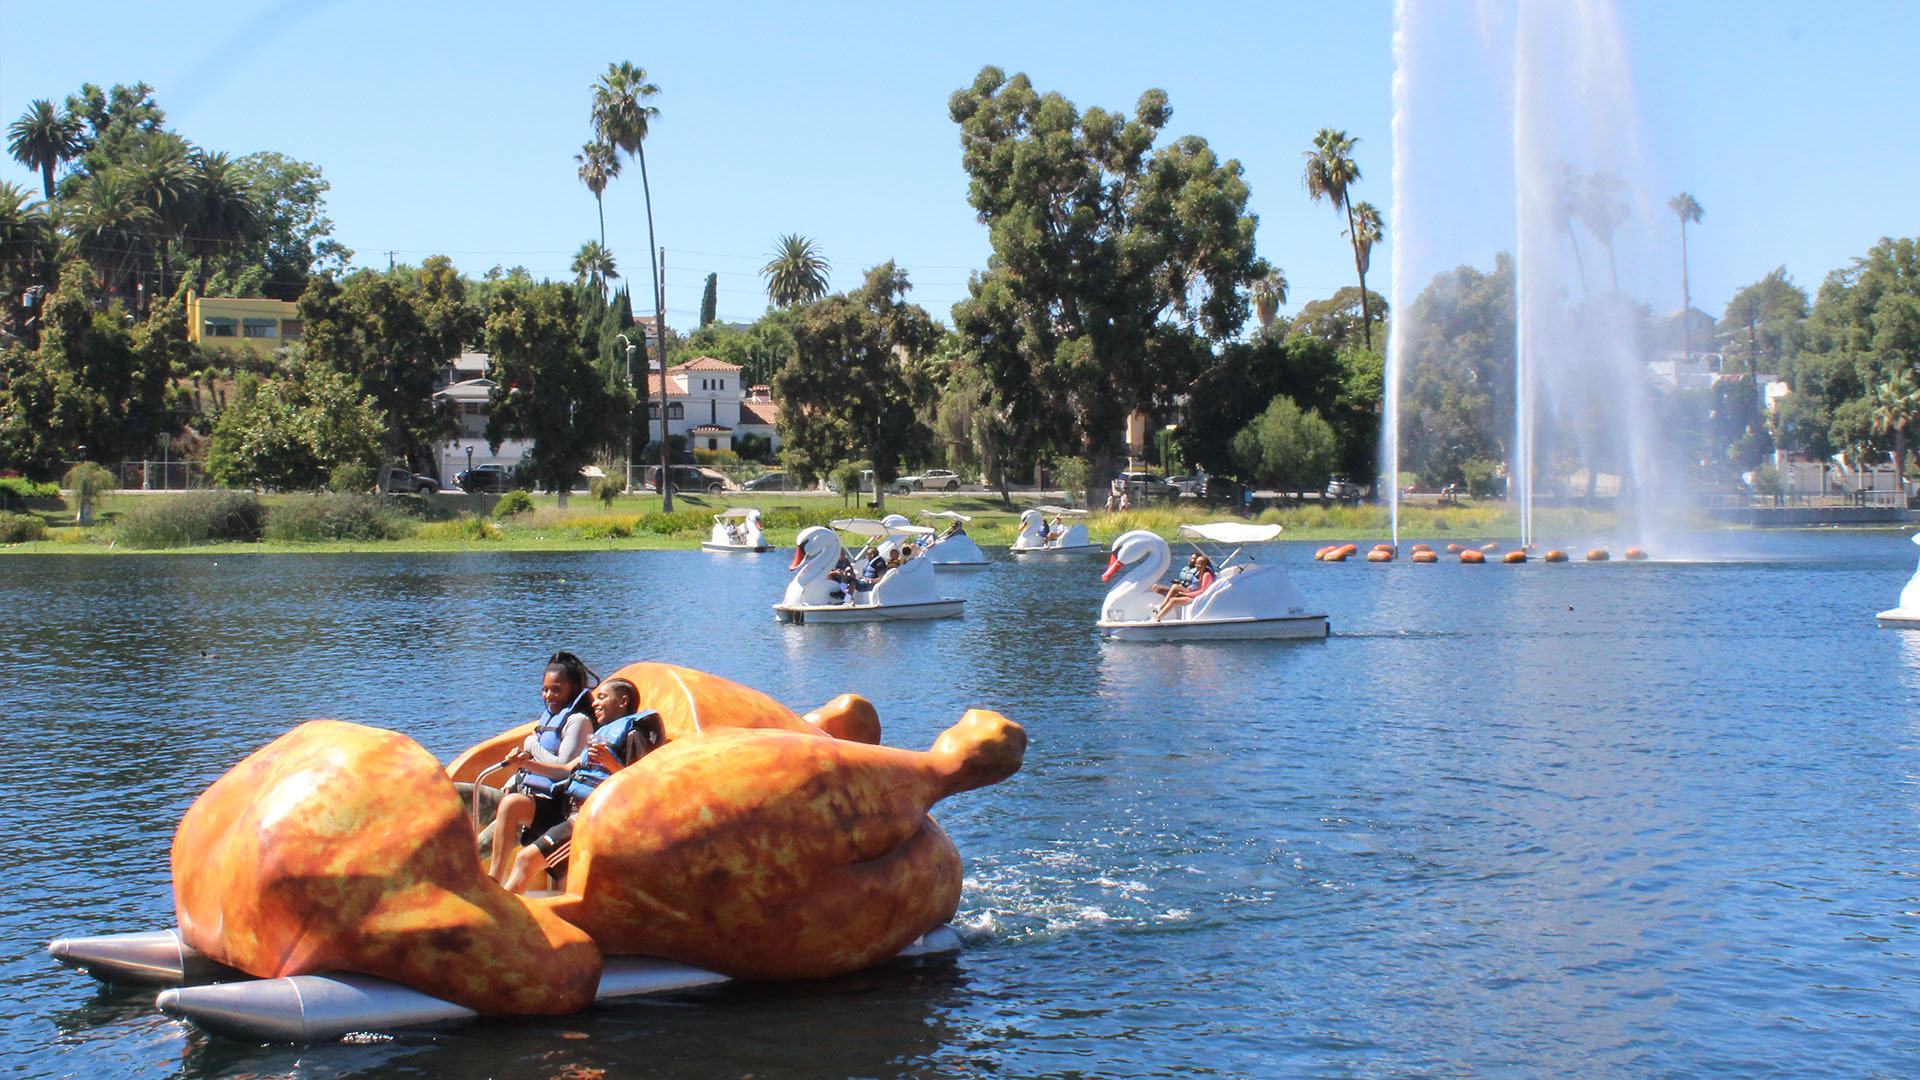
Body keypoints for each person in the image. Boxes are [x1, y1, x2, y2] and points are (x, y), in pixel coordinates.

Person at [500, 678, 665, 894]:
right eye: (595, 698)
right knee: (512, 804)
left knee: (525, 860)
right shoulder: (601, 736)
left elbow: (639, 786)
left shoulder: (634, 734)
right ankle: (494, 883)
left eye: (602, 697)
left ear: (623, 702)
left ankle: (504, 920)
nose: (594, 703)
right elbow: (566, 770)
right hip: (568, 807)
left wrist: (610, 763)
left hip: (590, 818)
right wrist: (525, 763)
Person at [483, 652, 597, 882]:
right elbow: (537, 763)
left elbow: (563, 768)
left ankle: (490, 881)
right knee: (462, 794)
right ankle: (483, 879)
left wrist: (531, 746)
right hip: (528, 795)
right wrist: (515, 776)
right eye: (545, 689)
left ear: (573, 689)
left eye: (556, 690)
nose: (548, 695)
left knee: (504, 812)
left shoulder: (578, 721)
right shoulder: (550, 718)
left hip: (555, 807)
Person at [1153, 554, 1215, 621]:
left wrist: (1185, 594)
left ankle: (1157, 618)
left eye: (1199, 564)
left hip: (1198, 599)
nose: (1196, 565)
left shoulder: (1207, 575)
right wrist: (1189, 587)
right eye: (1196, 563)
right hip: (1192, 593)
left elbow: (1203, 591)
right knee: (1175, 587)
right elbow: (1196, 585)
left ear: (1205, 564)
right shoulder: (1200, 572)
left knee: (1173, 600)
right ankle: (1161, 607)